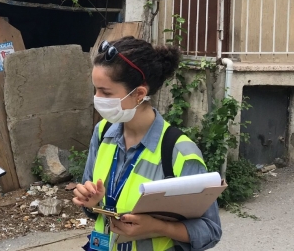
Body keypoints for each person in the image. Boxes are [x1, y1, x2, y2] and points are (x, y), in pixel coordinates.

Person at [73, 36, 222, 251]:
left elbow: (210, 230)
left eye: (106, 92)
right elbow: (92, 208)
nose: (97, 98)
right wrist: (91, 202)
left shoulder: (180, 153)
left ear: (139, 94)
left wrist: (158, 227)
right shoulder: (102, 132)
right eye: (95, 89)